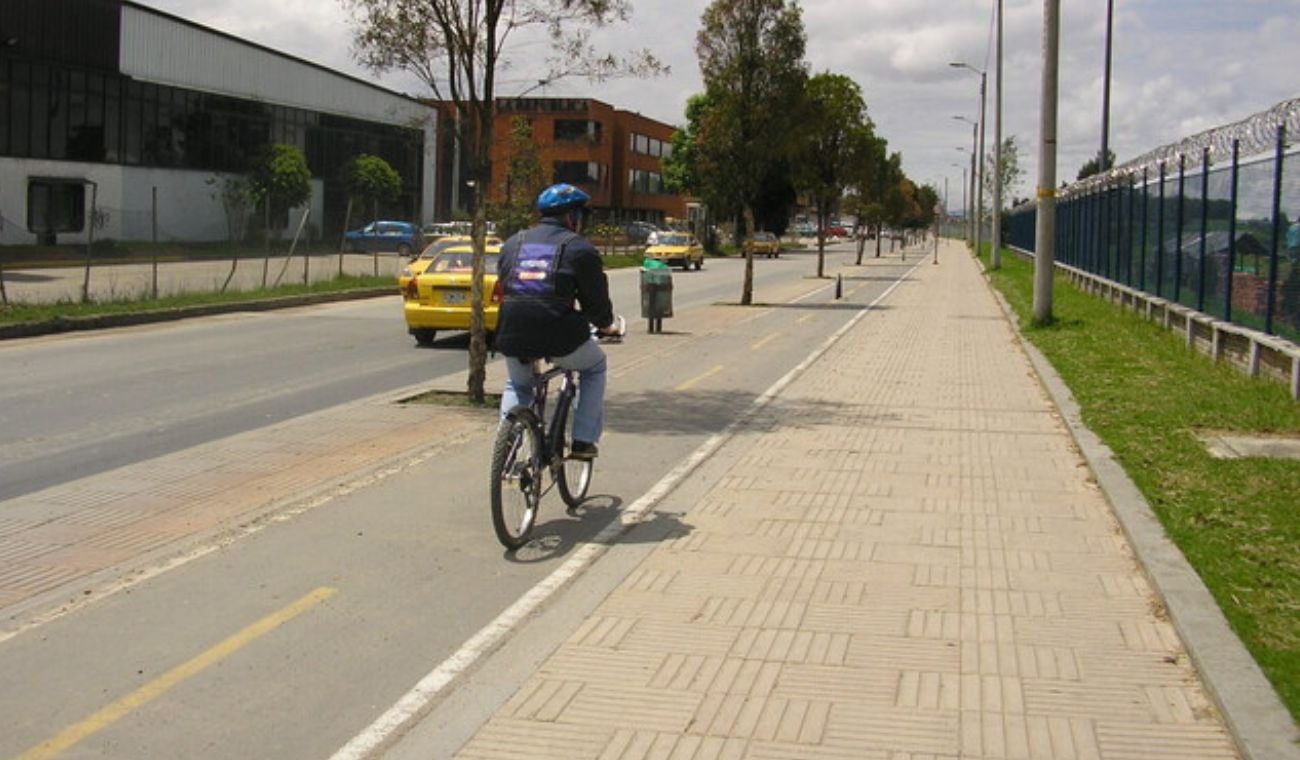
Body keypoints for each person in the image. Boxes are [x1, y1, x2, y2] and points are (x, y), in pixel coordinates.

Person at [494, 183, 618, 459]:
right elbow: (595, 303)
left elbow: (504, 284)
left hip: (511, 329)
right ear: (572, 217)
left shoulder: (513, 242)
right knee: (595, 367)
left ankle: (506, 450)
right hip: (559, 333)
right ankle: (583, 440)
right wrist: (607, 325)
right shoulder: (579, 248)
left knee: (518, 385)